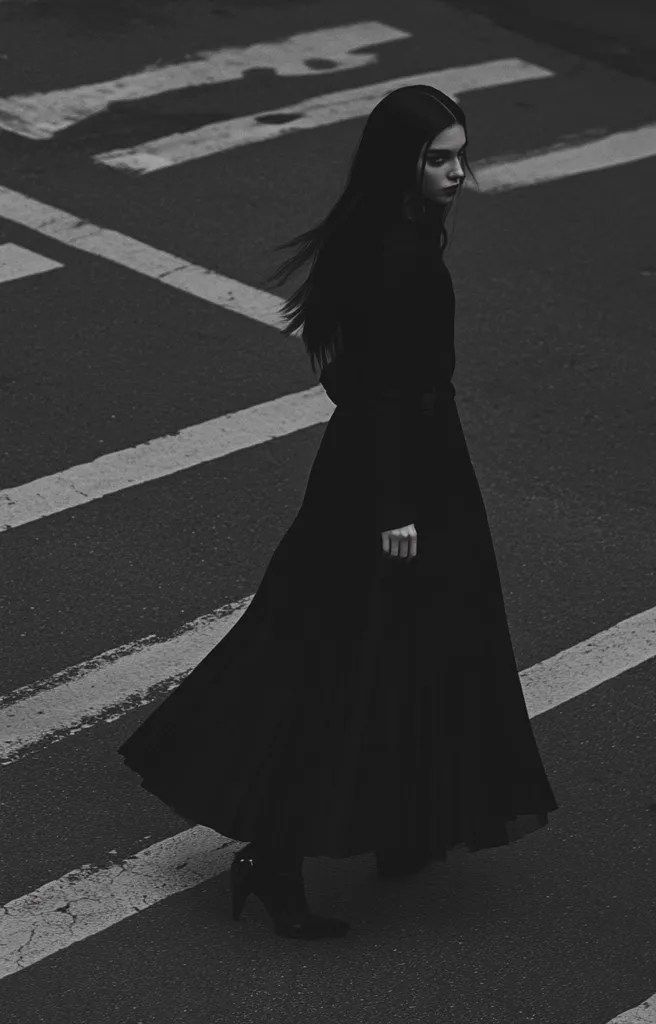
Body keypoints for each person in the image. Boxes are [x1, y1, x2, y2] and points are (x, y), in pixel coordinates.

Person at [117, 85, 558, 941]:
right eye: (440, 157)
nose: (459, 171)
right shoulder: (398, 252)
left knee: (392, 648)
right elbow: (390, 388)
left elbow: (350, 373)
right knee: (355, 661)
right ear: (404, 161)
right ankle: (278, 857)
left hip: (384, 466)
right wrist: (398, 508)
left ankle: (391, 828)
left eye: (461, 154)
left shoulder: (383, 233)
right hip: (400, 483)